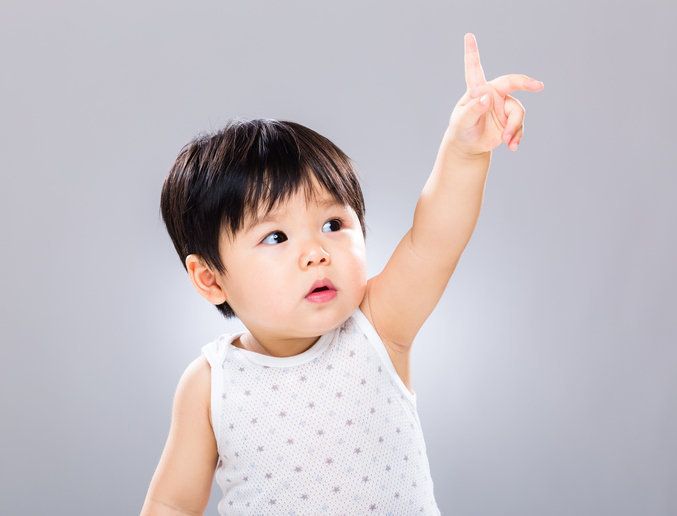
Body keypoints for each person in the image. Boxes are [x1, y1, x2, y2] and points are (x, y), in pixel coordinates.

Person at [141, 33, 544, 515]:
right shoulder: (212, 383)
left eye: (332, 224)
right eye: (276, 236)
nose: (316, 253)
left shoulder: (379, 326)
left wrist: (466, 152)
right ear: (211, 279)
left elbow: (434, 242)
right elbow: (172, 504)